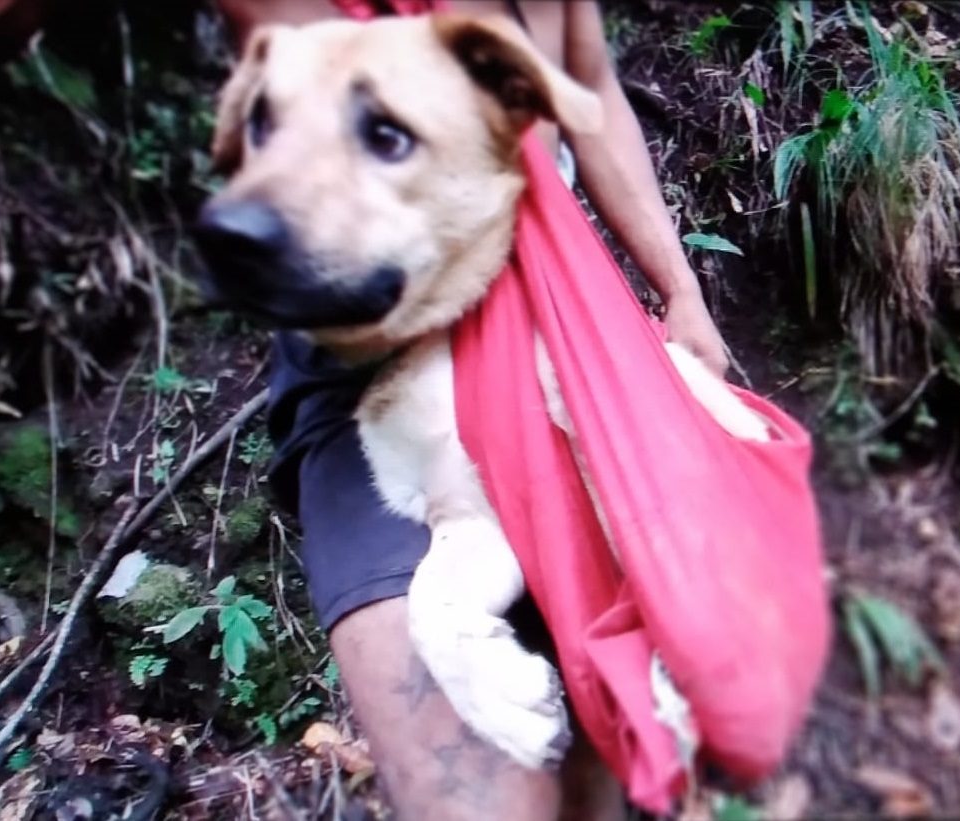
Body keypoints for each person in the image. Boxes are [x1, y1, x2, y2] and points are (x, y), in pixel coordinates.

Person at [214, 2, 731, 819]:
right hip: (375, 388)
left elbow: (588, 85)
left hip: (568, 351)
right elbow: (293, 138)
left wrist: (680, 291)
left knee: (598, 761)